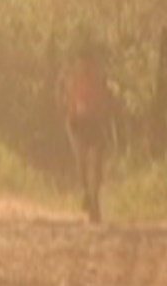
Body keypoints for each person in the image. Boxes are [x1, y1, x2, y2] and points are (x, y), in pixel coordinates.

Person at [56, 41, 115, 223]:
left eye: (89, 62)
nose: (86, 66)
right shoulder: (72, 78)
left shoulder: (100, 78)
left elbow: (107, 98)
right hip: (78, 124)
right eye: (83, 62)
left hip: (95, 123)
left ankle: (94, 198)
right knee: (81, 161)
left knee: (96, 163)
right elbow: (62, 95)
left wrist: (107, 113)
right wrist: (66, 109)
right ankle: (86, 193)